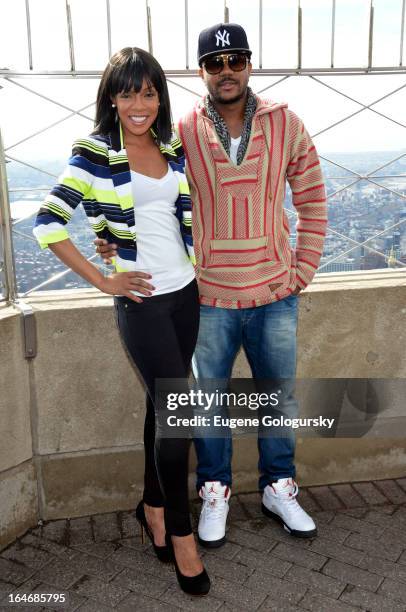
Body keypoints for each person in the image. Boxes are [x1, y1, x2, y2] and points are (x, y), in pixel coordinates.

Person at [96, 24, 328, 547]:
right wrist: (109, 242)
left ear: (249, 64)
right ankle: (215, 491)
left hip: (276, 293)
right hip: (209, 297)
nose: (226, 70)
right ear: (201, 71)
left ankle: (279, 486)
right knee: (207, 403)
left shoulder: (287, 124)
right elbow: (136, 190)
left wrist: (303, 270)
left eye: (236, 59)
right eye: (214, 62)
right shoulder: (178, 132)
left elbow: (313, 200)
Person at [33, 47, 210, 596]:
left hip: (186, 291)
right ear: (112, 97)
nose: (140, 103)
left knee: (162, 407)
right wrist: (107, 278)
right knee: (178, 415)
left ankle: (153, 509)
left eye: (150, 91)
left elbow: (161, 217)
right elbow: (48, 224)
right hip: (143, 302)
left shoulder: (169, 144)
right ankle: (182, 537)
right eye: (129, 91)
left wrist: (118, 250)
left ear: (160, 97)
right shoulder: (94, 152)